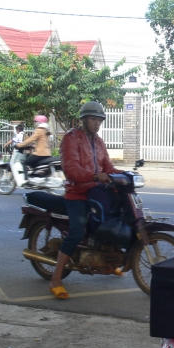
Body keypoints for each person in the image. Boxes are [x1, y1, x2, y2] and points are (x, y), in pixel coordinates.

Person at [48, 101, 122, 300]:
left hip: (96, 192)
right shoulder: (71, 139)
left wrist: (125, 174)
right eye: (93, 119)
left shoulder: (98, 142)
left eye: (99, 120)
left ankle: (108, 261)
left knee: (113, 220)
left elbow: (108, 166)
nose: (97, 123)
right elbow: (71, 169)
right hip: (77, 193)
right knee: (77, 231)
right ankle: (56, 278)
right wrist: (95, 176)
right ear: (84, 119)